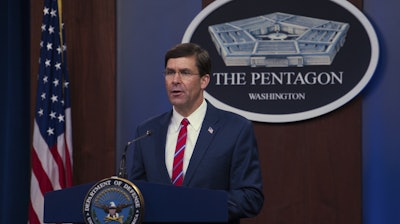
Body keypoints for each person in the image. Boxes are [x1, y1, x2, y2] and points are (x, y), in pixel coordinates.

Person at [128, 43, 263, 223]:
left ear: (204, 81)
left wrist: (195, 205)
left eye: (185, 72)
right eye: (170, 72)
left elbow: (250, 197)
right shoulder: (147, 132)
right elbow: (138, 192)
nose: (175, 80)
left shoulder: (235, 129)